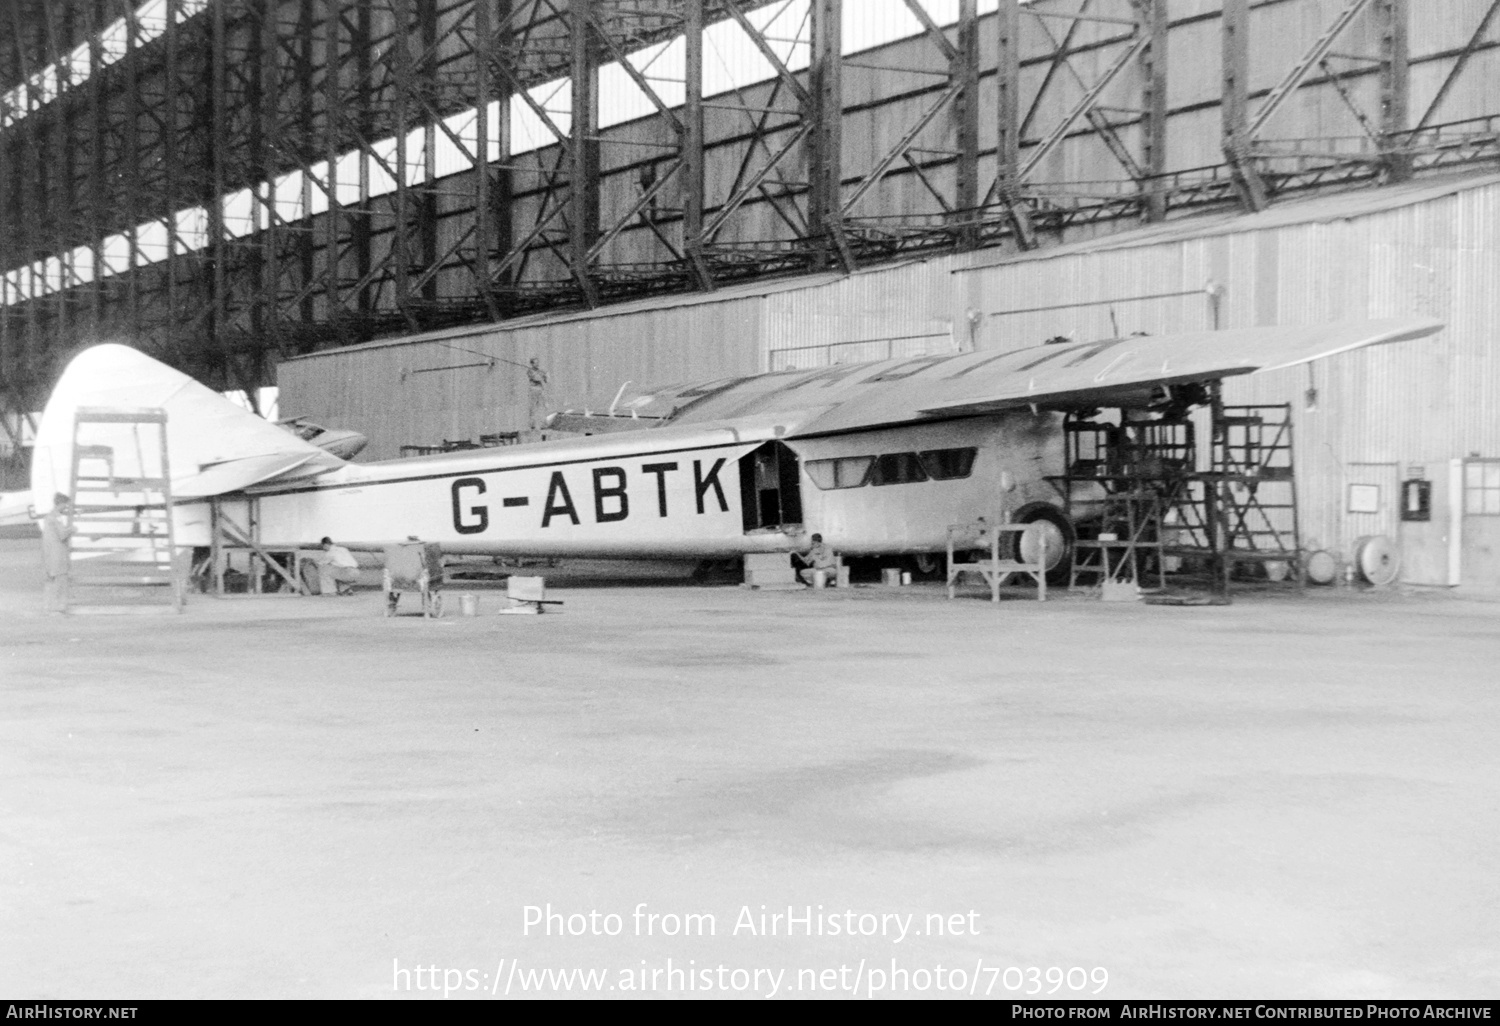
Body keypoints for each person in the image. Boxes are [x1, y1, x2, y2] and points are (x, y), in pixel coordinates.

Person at [40, 493, 74, 613]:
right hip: (58, 556)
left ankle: (47, 607)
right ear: (60, 504)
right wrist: (71, 529)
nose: (65, 507)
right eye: (65, 504)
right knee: (61, 583)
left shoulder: (48, 518)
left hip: (49, 555)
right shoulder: (56, 518)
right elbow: (62, 535)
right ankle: (60, 607)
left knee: (50, 582)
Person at [526, 357, 549, 432]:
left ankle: (543, 424)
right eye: (536, 363)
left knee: (542, 406)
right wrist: (541, 374)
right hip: (533, 389)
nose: (537, 364)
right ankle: (532, 425)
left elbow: (546, 380)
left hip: (540, 389)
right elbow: (536, 378)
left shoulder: (540, 371)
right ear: (532, 364)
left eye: (538, 363)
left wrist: (545, 375)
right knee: (533, 407)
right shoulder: (530, 371)